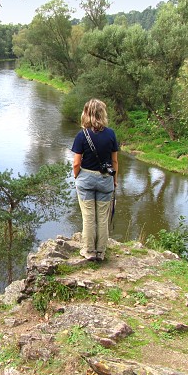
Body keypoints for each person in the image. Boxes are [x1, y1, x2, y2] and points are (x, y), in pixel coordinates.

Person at [71, 98, 119, 261]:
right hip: (105, 179)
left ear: (86, 114)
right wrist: (114, 180)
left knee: (89, 217)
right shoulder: (111, 134)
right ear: (102, 114)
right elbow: (114, 161)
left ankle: (89, 251)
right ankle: (101, 252)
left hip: (86, 180)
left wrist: (77, 176)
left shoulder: (81, 135)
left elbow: (77, 162)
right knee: (102, 218)